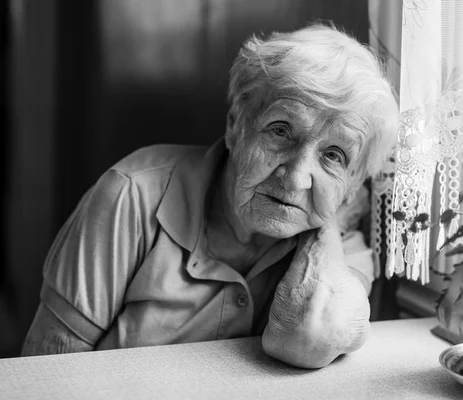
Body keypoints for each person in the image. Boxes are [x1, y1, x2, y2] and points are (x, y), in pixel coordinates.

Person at [21, 23, 400, 368]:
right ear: (236, 125)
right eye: (281, 131)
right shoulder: (131, 196)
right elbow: (46, 371)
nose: (298, 178)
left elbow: (311, 338)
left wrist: (326, 219)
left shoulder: (340, 251)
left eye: (333, 156)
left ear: (353, 184)